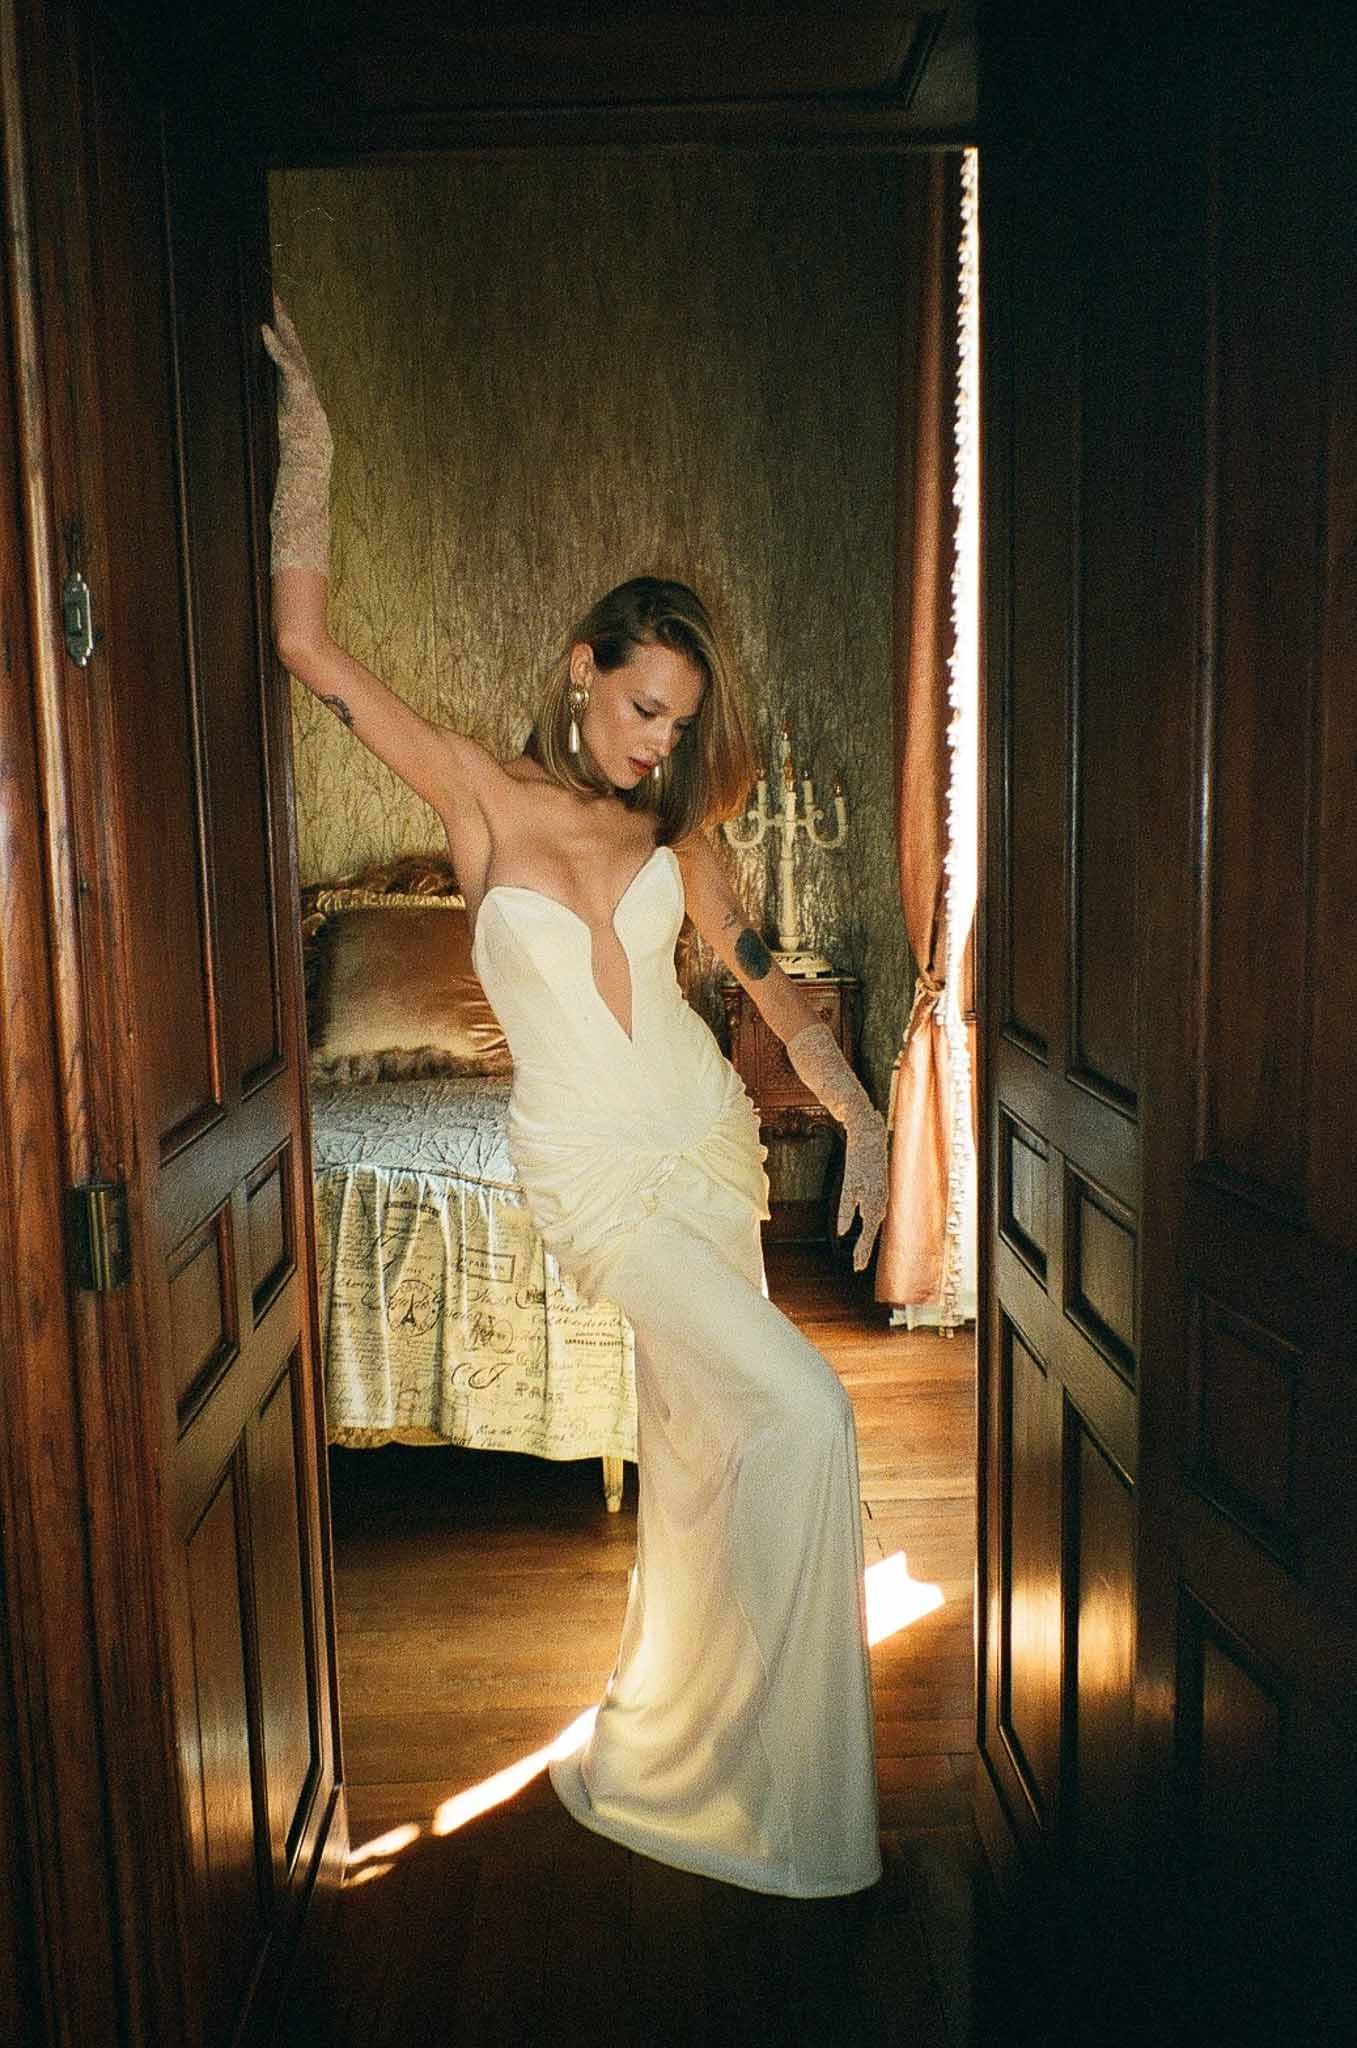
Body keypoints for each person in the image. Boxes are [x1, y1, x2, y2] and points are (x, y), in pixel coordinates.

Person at [263, 298, 888, 1897]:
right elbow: (306, 648)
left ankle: (692, 1747)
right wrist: (311, 452)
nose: (653, 744)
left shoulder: (683, 837)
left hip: (703, 1147)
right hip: (596, 1181)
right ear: (580, 671)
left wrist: (864, 1112)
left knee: (703, 1456)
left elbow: (766, 989)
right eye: (637, 709)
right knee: (807, 1416)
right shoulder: (479, 794)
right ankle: (805, 1811)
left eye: (676, 724)